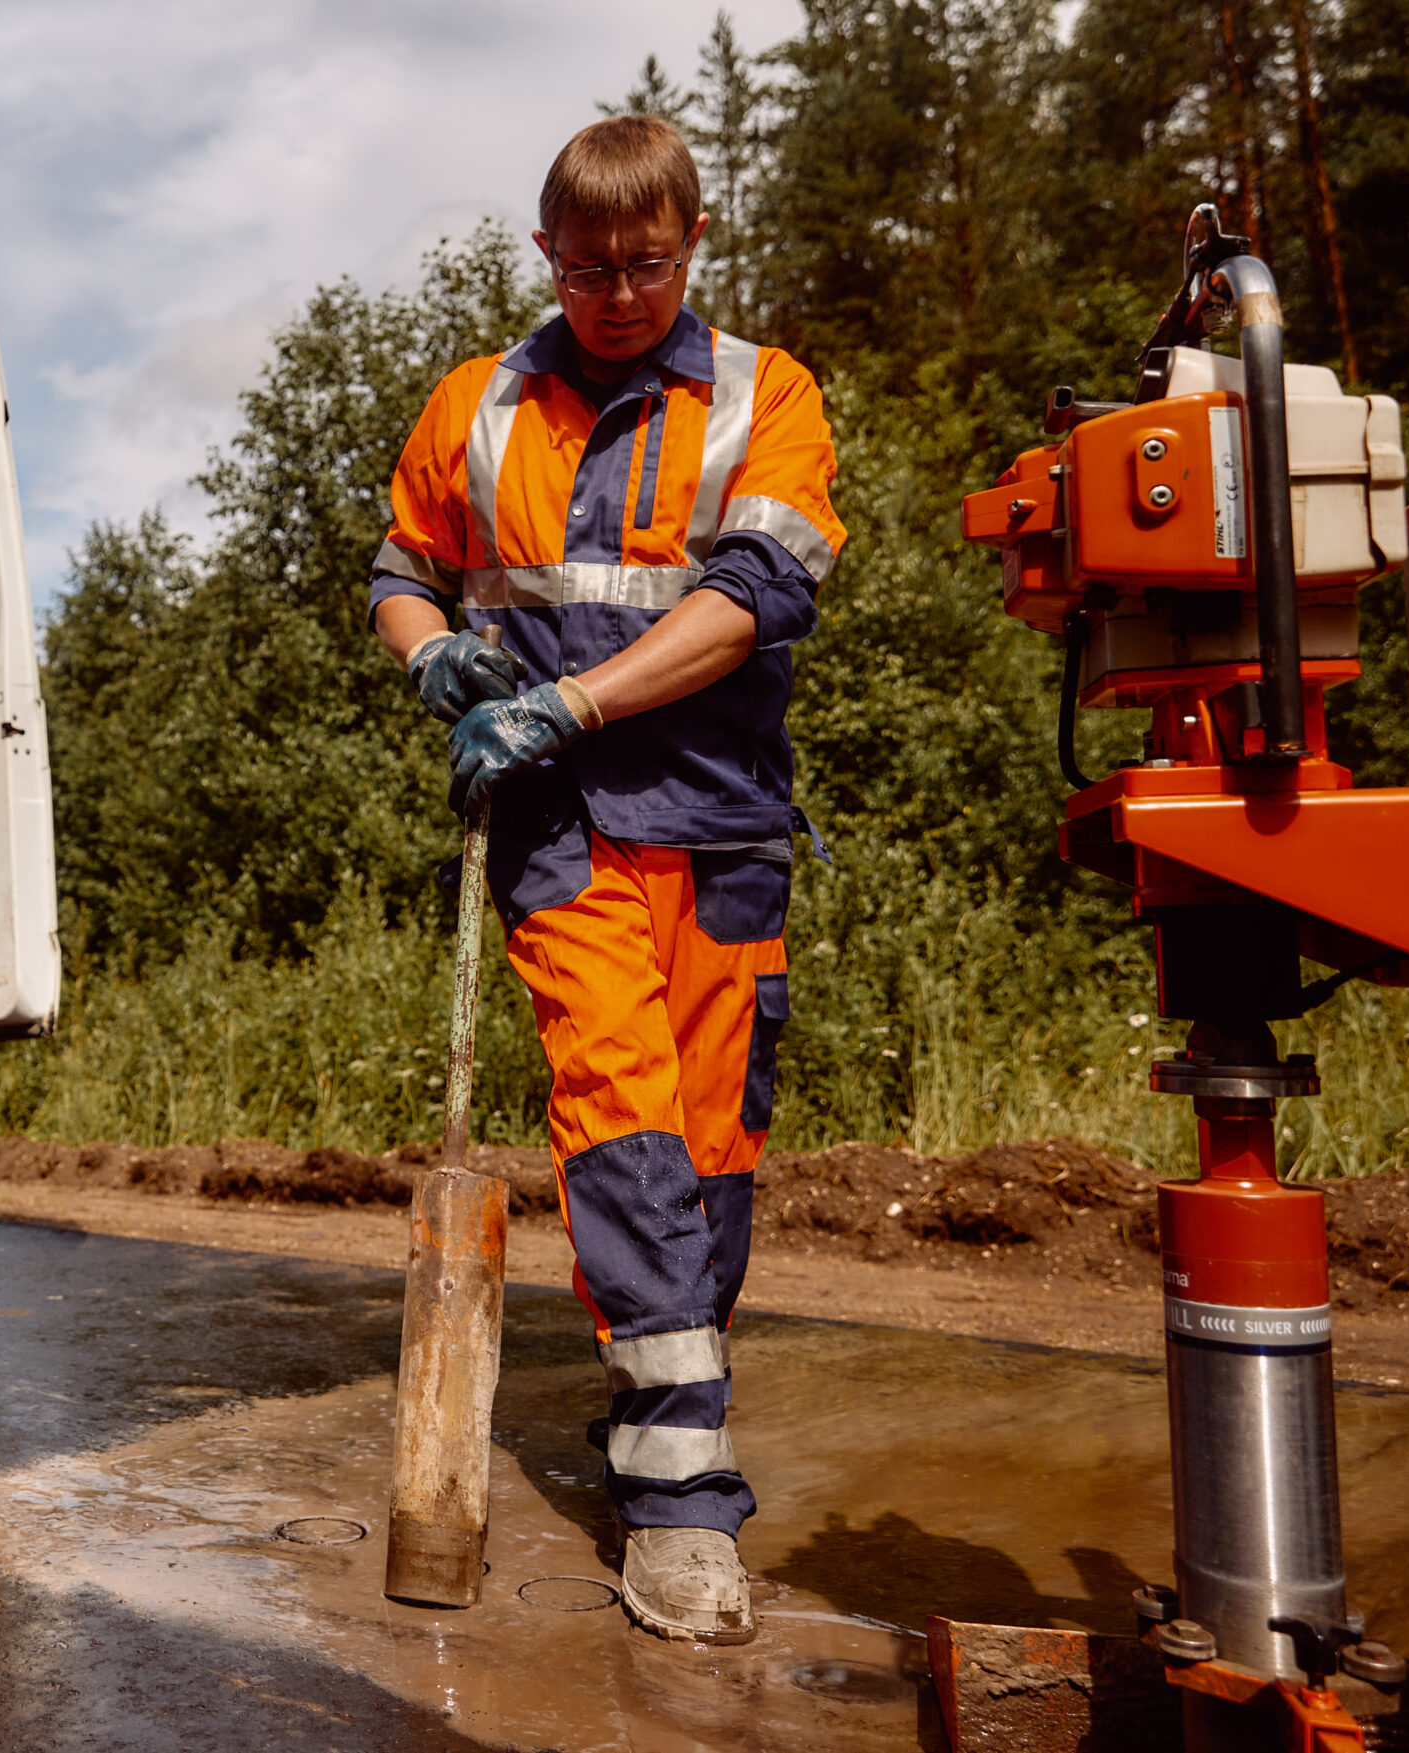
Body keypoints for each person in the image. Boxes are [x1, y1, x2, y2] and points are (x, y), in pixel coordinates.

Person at [369, 114, 842, 1642]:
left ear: (695, 238)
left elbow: (754, 602)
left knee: (708, 1159)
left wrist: (567, 697)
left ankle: (661, 1401)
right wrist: (433, 646)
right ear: (544, 254)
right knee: (623, 1120)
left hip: (717, 829)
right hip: (559, 831)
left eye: (645, 264)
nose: (618, 293)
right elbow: (399, 567)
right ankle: (684, 1512)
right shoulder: (477, 405)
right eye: (586, 269)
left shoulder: (767, 398)